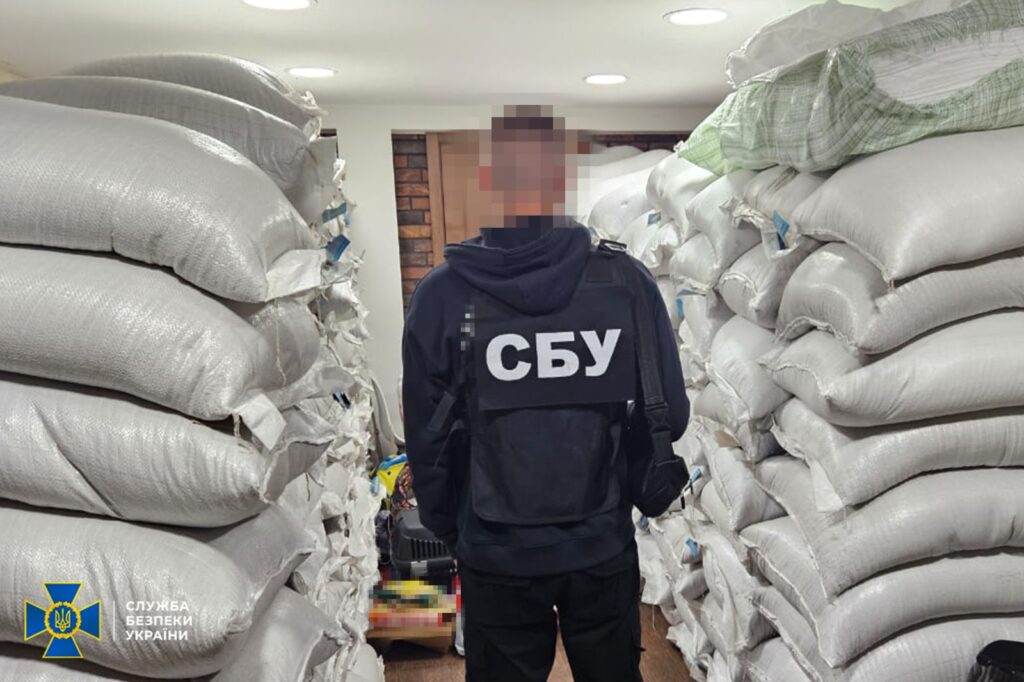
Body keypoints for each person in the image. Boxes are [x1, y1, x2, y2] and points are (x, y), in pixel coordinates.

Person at [402, 105, 689, 682]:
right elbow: (671, 414)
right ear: (561, 183)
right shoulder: (625, 282)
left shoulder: (443, 296)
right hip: (600, 543)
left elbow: (426, 439)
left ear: (489, 183)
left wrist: (452, 527)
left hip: (494, 549)